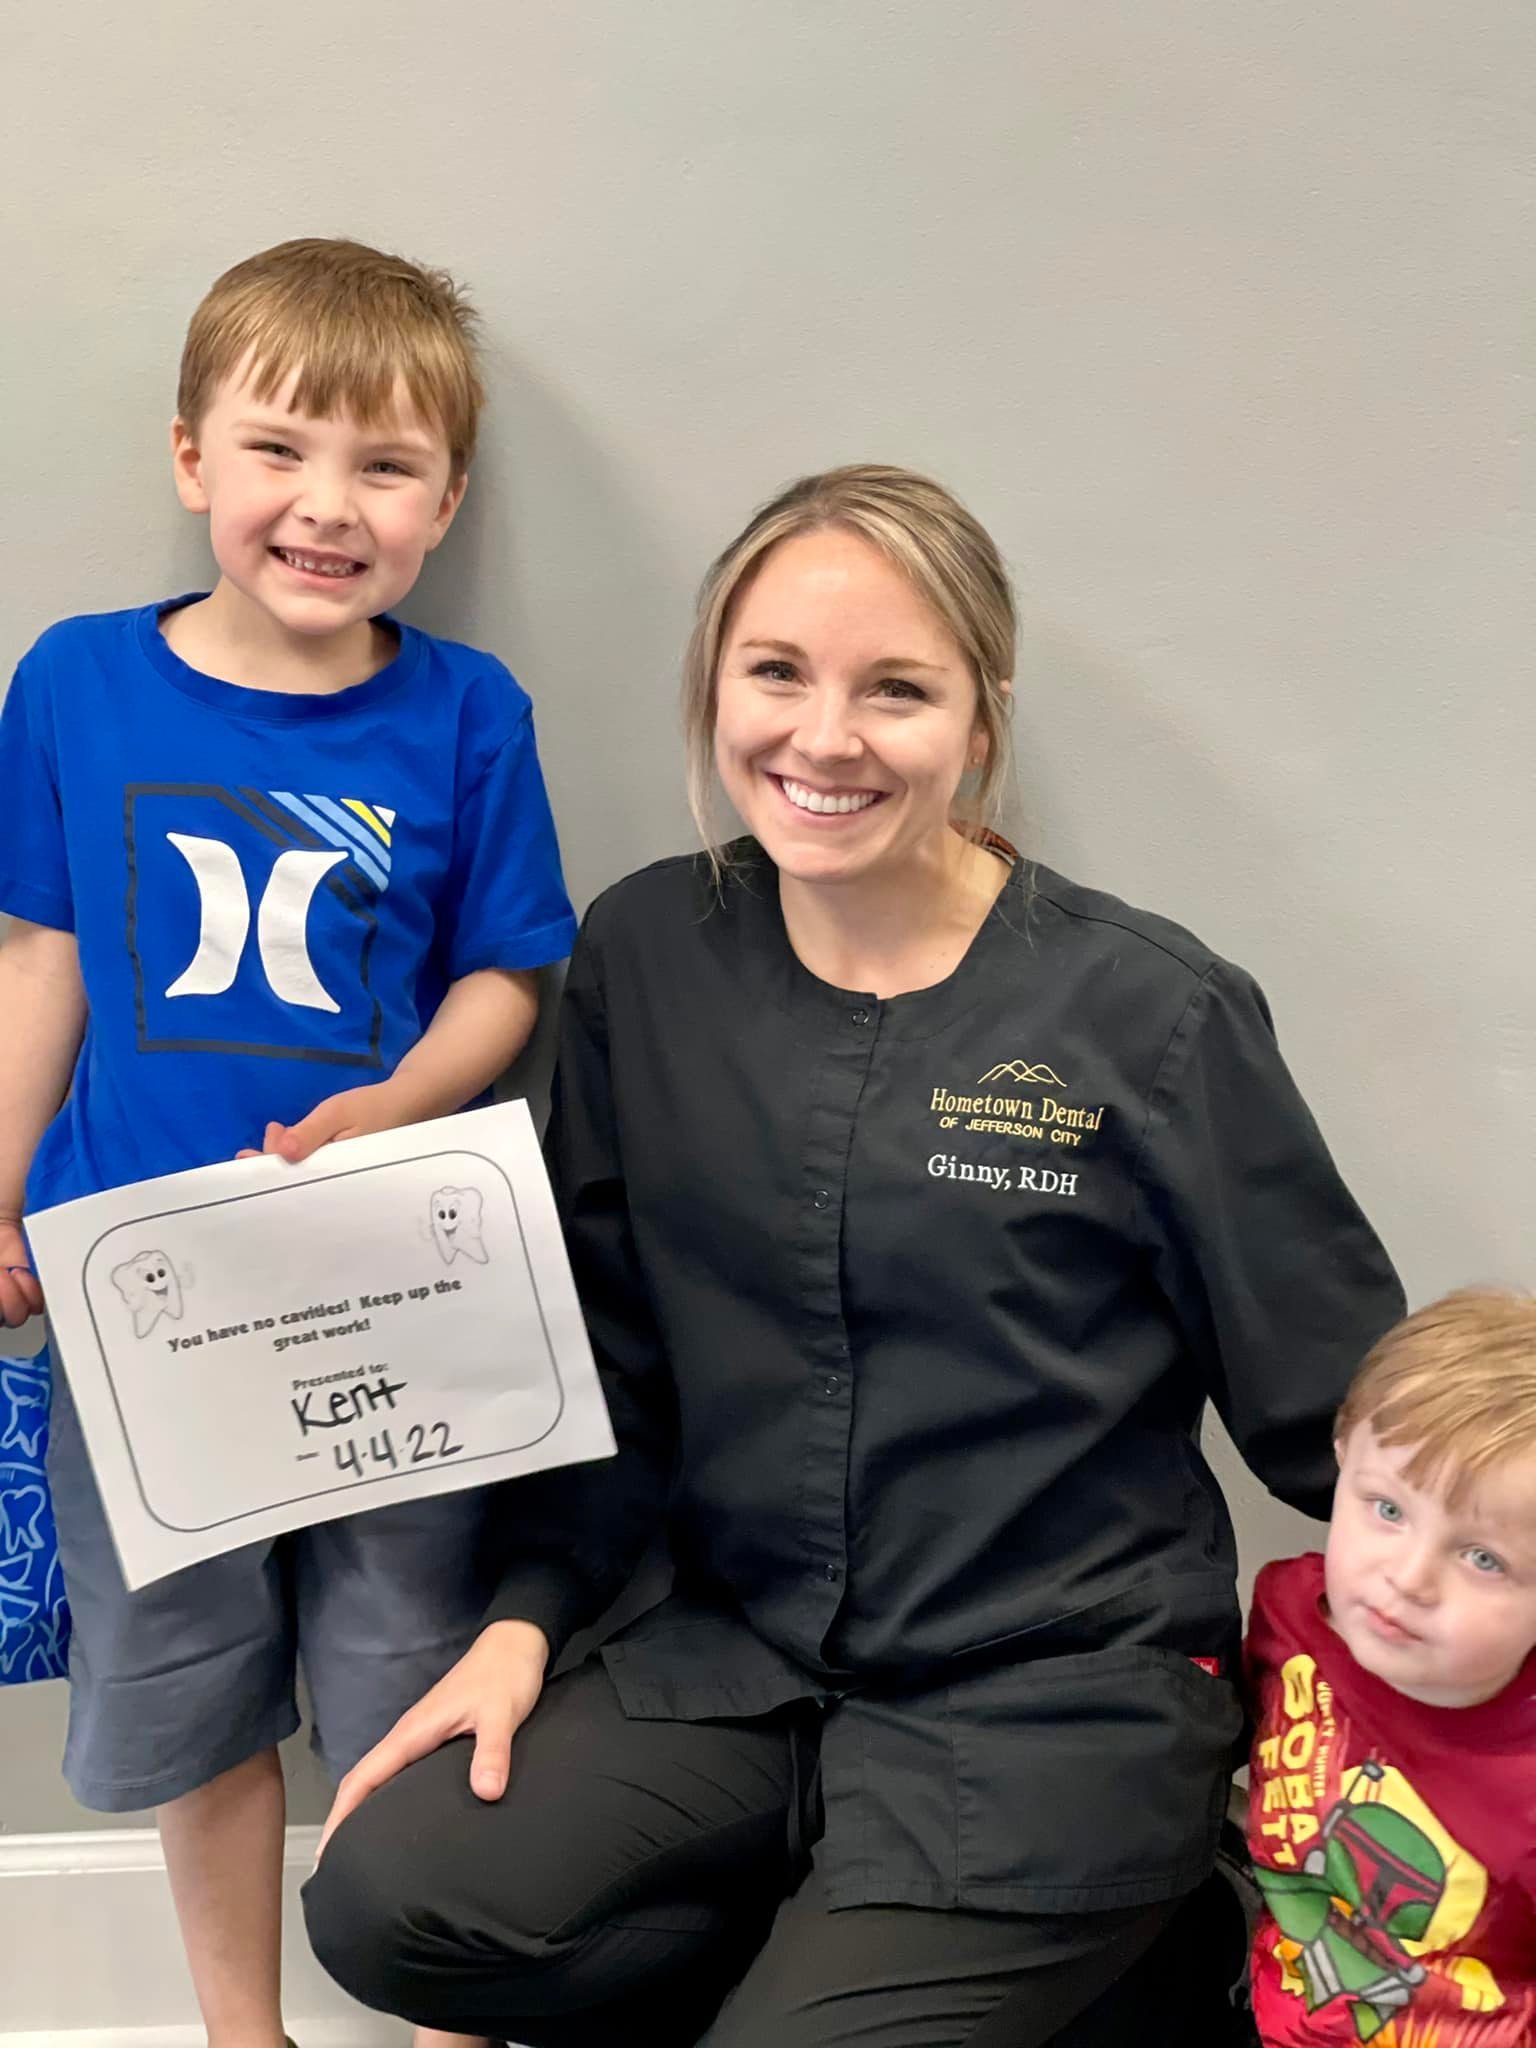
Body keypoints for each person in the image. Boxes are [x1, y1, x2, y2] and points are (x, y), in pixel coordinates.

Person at [303, 464, 1404, 2048]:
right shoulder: (646, 952)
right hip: (742, 1665)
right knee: (387, 1903)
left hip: (1049, 1702)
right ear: (713, 682)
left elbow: (1341, 1412)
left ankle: (1130, 1938)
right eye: (776, 674)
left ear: (979, 714)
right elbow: (603, 1360)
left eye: (896, 688)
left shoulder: (1150, 1013)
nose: (823, 739)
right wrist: (522, 1624)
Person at [0, 237, 577, 2048]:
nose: (327, 506)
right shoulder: (79, 683)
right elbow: (44, 953)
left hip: (389, 1286)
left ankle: (436, 2013)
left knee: (410, 1658)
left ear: (445, 501)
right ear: (192, 458)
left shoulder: (468, 710)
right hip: (139, 1290)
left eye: (386, 465)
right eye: (280, 450)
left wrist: (399, 1105)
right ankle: (238, 2027)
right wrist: (2, 1189)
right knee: (185, 1678)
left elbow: (508, 975)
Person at [1244, 1288, 1536, 2045]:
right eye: (1388, 1509)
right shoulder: (1288, 1613)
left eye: (1483, 1558)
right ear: (1344, 1455)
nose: (1406, 1578)